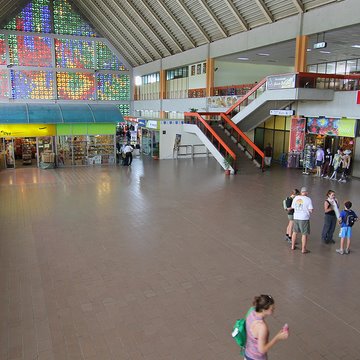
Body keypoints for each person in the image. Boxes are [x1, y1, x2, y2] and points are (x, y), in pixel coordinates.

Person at [244, 295, 289, 360]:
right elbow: (262, 350)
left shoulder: (251, 311)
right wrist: (277, 338)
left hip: (248, 354)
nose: (274, 309)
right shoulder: (262, 327)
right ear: (263, 310)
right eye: (272, 308)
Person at [291, 187, 313, 254]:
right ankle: (303, 249)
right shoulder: (308, 199)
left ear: (301, 192)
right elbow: (311, 210)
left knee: (294, 232)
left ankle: (292, 246)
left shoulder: (296, 198)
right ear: (306, 192)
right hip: (304, 218)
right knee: (304, 234)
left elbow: (293, 207)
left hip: (296, 217)